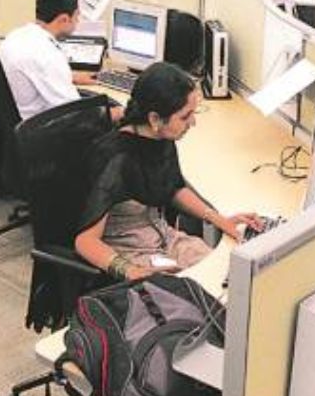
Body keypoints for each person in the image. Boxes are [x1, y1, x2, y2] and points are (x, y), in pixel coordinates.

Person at [75, 62, 262, 282]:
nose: (192, 122)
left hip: (164, 237)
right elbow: (85, 242)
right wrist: (130, 271)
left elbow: (173, 189)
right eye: (185, 116)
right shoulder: (115, 160)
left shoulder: (159, 138)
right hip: (129, 252)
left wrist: (219, 219)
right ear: (155, 119)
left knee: (225, 273)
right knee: (198, 295)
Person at [0, 0, 121, 121]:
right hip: (41, 129)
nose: (78, 21)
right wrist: (121, 112)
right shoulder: (47, 56)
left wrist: (69, 76)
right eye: (76, 16)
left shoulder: (15, 36)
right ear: (64, 19)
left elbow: (36, 73)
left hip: (20, 123)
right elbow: (77, 116)